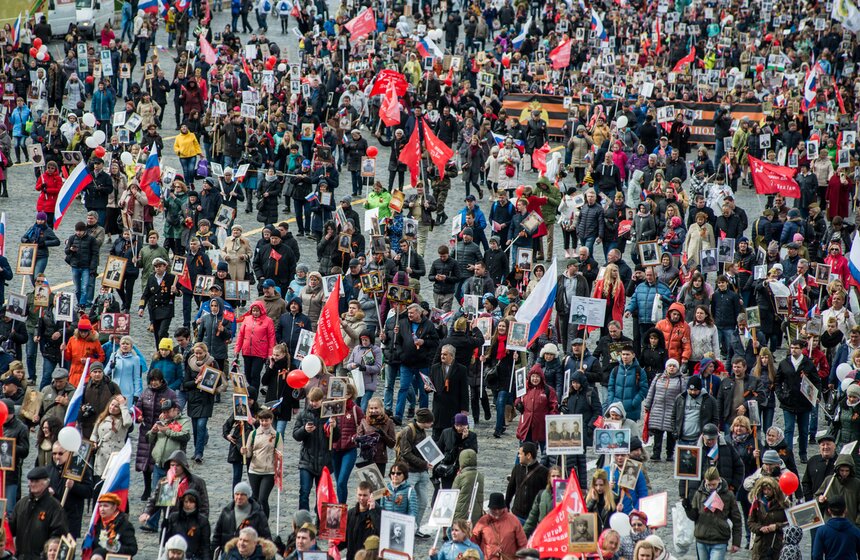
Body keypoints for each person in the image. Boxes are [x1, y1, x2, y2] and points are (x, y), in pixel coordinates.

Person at [9, 466, 69, 560]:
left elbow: (58, 535)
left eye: (36, 481)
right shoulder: (22, 504)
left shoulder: (55, 507)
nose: (32, 484)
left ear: (46, 483)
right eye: (31, 481)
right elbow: (11, 528)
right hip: (21, 557)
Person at [211, 482, 272, 553]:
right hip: (228, 554)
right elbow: (217, 536)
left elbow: (266, 538)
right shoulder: (226, 512)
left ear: (248, 496)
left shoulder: (257, 514)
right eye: (237, 494)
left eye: (242, 494)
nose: (239, 497)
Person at [471, 493, 526, 560]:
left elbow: (522, 543)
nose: (497, 511)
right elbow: (473, 541)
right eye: (494, 509)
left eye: (499, 509)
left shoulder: (514, 520)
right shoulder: (483, 521)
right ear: (490, 508)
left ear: (504, 508)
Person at [812, 495, 860, 560]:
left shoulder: (822, 531)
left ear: (829, 511)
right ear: (845, 510)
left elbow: (816, 555)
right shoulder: (855, 531)